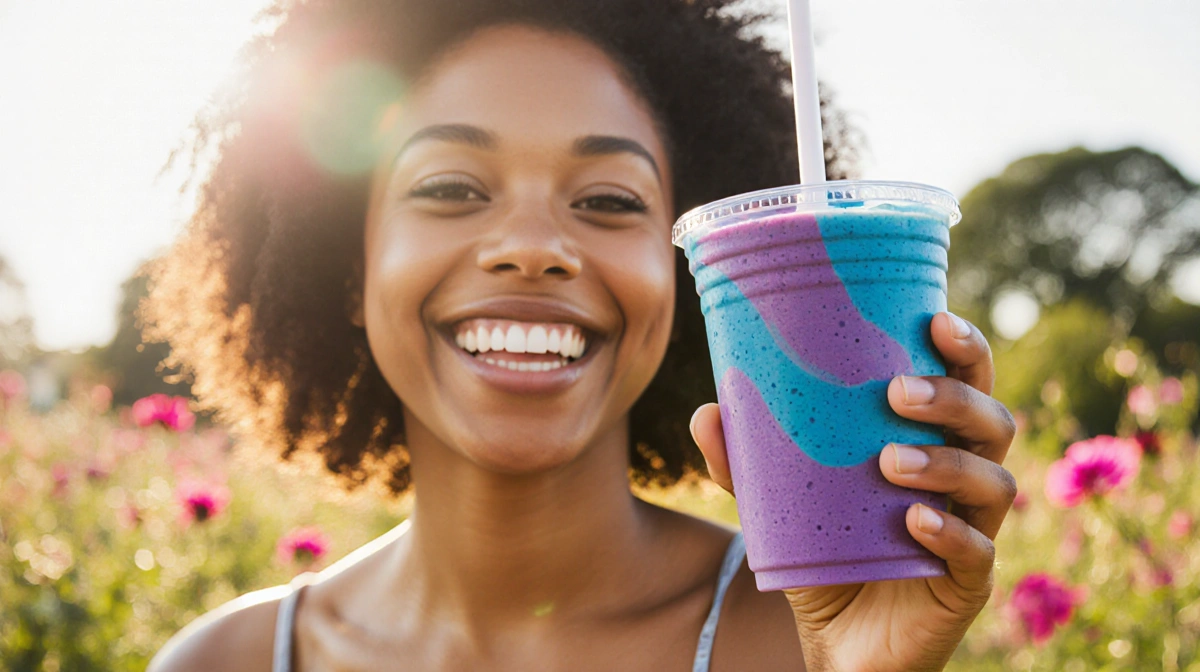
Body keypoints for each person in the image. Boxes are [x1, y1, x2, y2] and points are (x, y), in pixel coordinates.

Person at [146, 0, 1018, 669]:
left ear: (691, 277)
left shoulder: (802, 635)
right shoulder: (223, 662)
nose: (533, 248)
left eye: (608, 201)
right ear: (344, 264)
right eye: (452, 188)